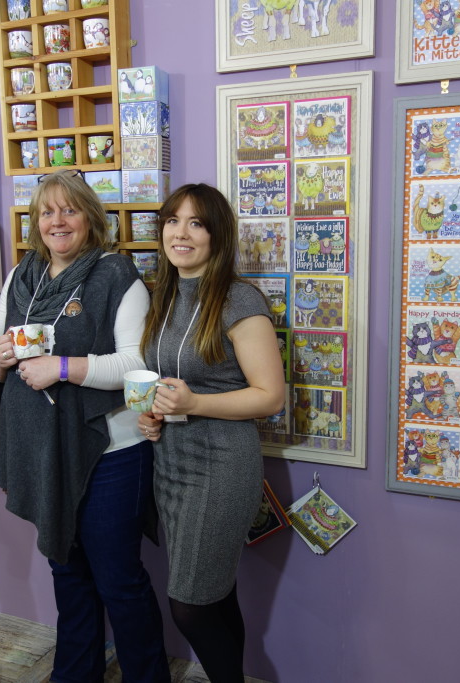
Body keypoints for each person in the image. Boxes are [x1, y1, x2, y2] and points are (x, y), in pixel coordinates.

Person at [0, 170, 169, 683]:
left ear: (90, 217)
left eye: (69, 210)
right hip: (45, 450)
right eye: (47, 212)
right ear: (36, 222)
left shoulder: (116, 276)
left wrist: (63, 367)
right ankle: (75, 674)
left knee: (119, 582)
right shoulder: (21, 277)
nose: (57, 221)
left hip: (110, 449)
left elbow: (135, 363)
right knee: (67, 573)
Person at [137, 183, 285, 683]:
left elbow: (269, 395)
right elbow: (166, 377)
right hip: (170, 464)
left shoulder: (238, 298)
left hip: (221, 466)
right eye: (173, 221)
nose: (181, 233)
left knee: (191, 606)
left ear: (216, 236)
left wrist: (195, 403)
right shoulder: (163, 294)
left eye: (196, 223)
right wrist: (153, 412)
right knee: (216, 595)